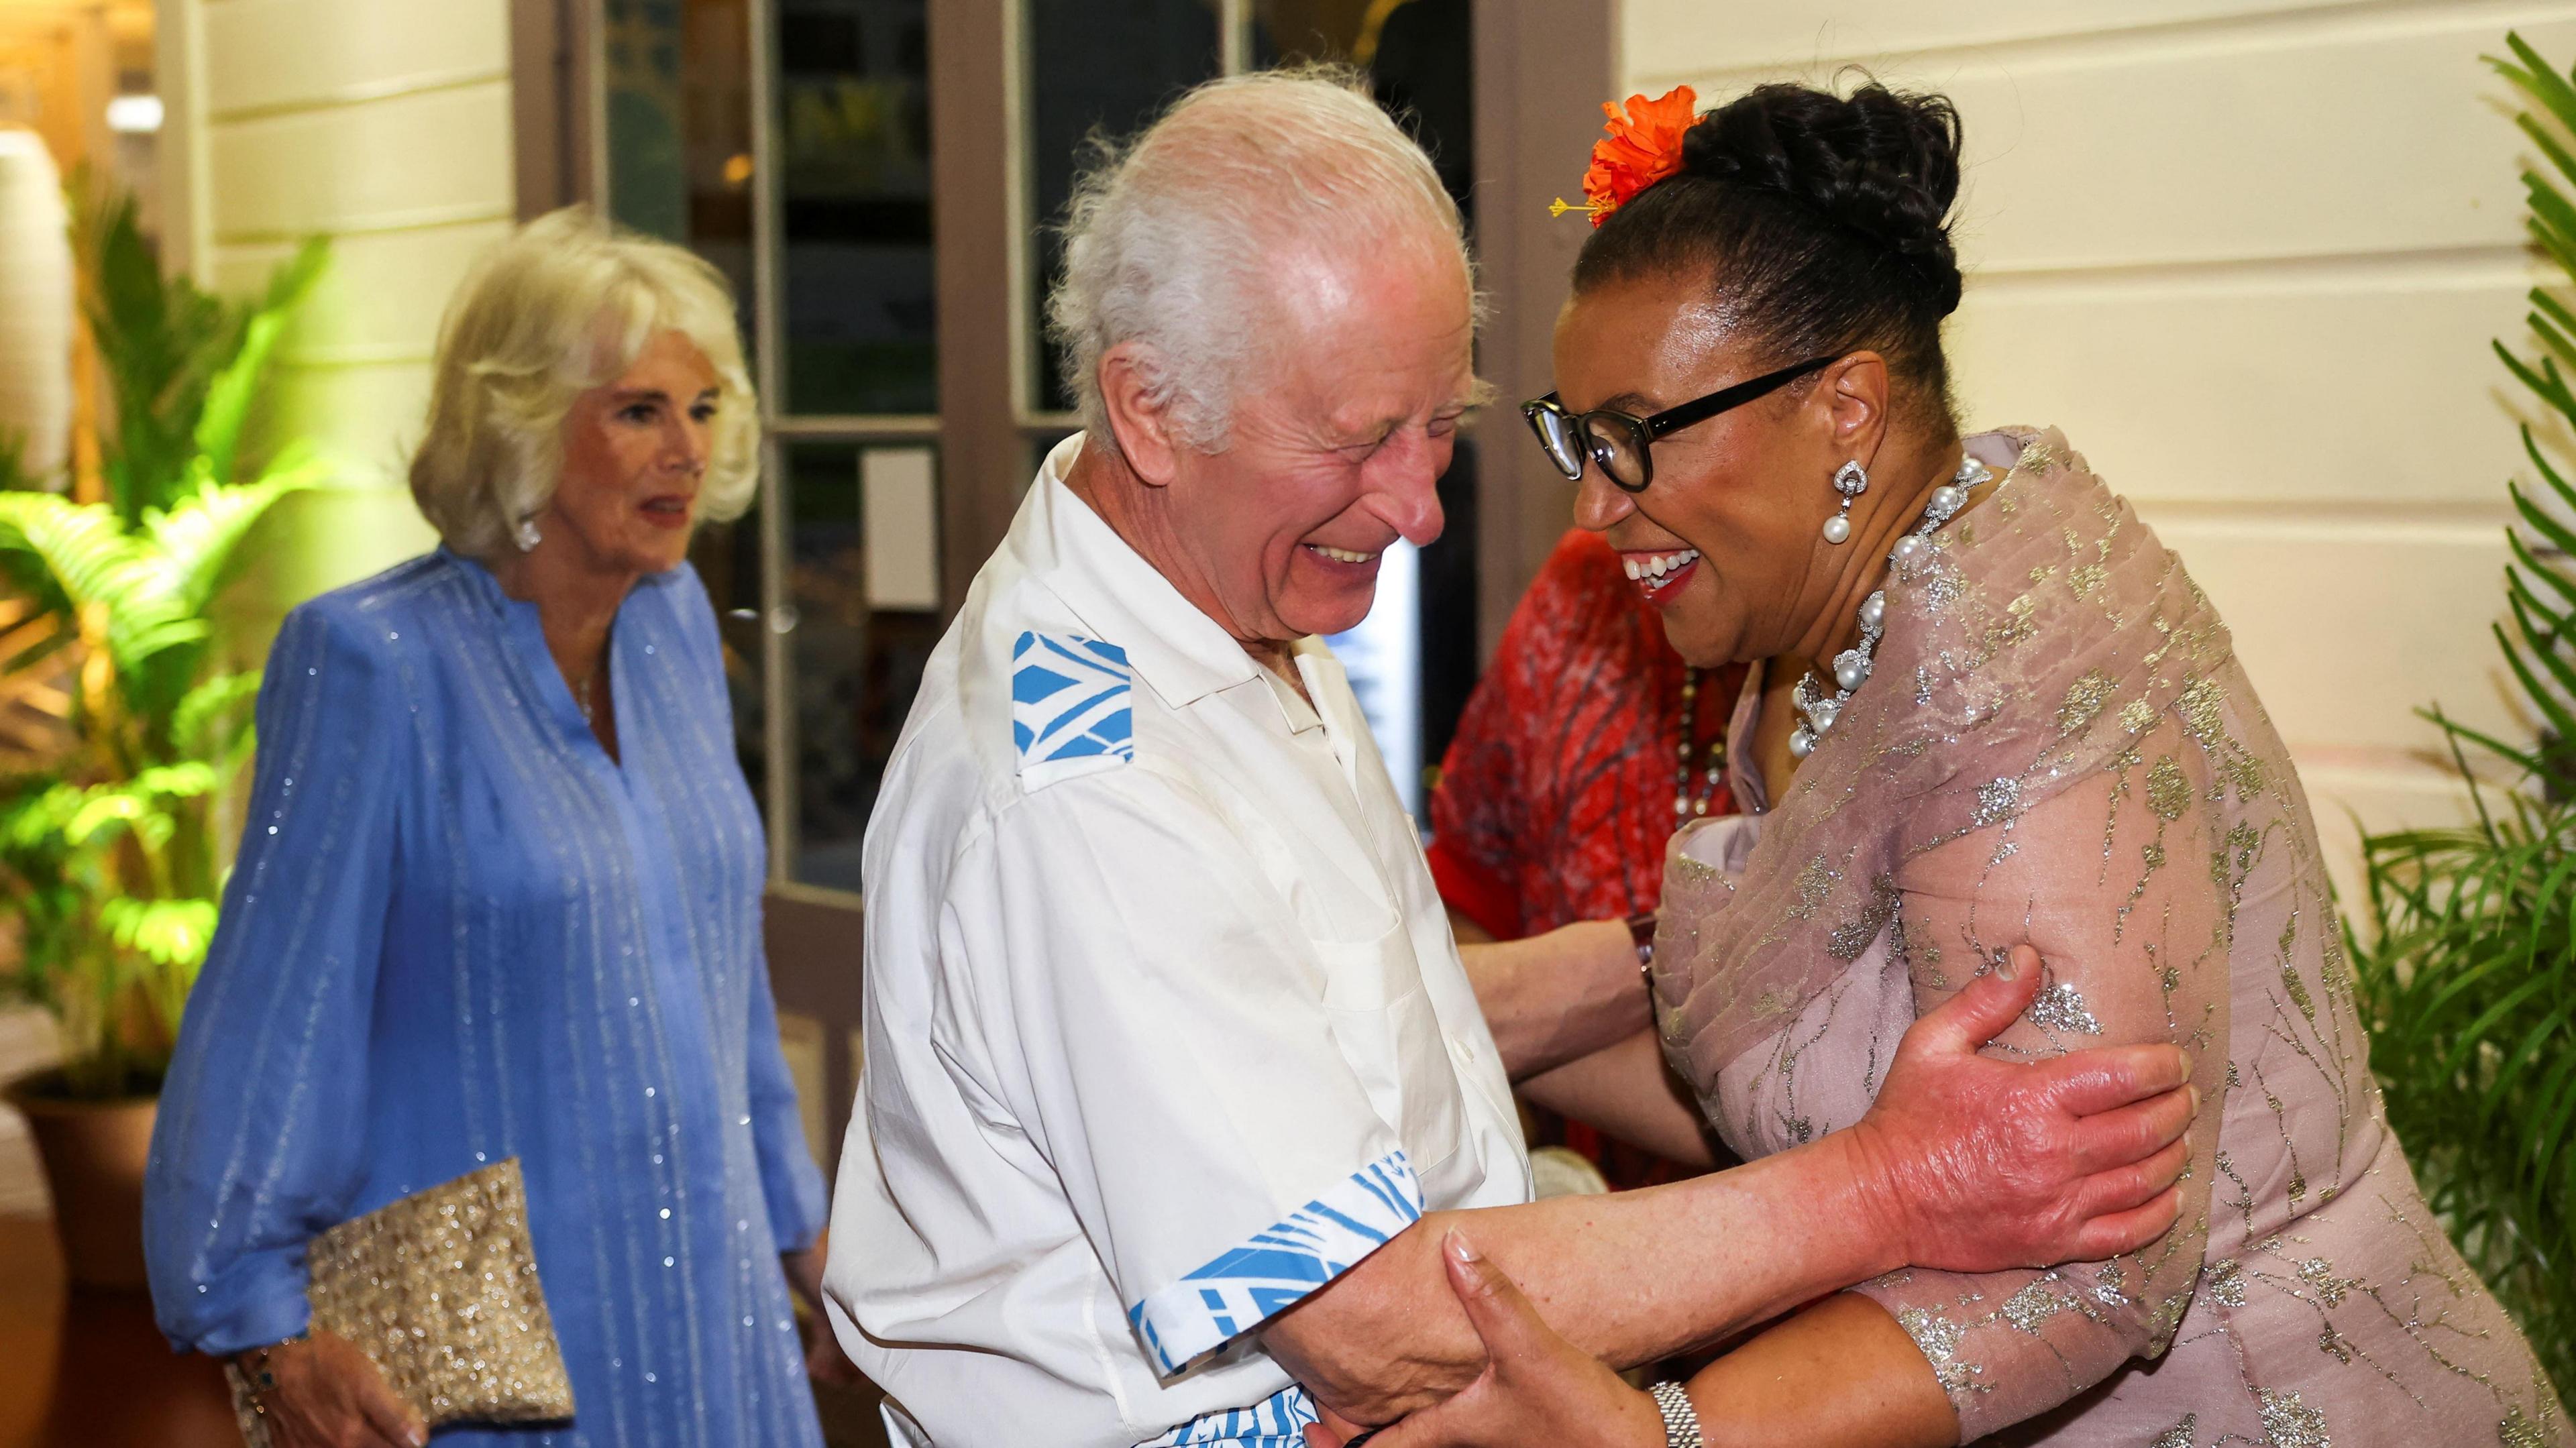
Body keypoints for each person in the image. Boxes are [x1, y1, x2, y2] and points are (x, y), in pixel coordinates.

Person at [828, 68, 2202, 1448]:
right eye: (1361, 439)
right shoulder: (1088, 780)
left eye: (1441, 427)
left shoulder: (1224, 591)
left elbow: (1352, 1005)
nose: (1418, 510)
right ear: (1150, 410)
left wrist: (1724, 951)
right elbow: (1374, 1324)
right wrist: (1893, 1183)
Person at [1329, 82, 2573, 1447]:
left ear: (1846, 409)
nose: (1593, 501)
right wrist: (1402, 1022)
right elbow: (1838, 1098)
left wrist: (1663, 1432)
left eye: (1632, 435)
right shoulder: (1823, 636)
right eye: (1575, 436)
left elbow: (2088, 1263)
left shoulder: (2022, 687)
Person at [143, 208, 839, 1448]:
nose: (684, 449)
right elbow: (276, 1017)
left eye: (703, 408)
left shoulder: (673, 626)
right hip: (498, 1341)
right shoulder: (369, 663)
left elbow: (718, 969)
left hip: (712, 1301)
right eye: (637, 410)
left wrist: (799, 1220)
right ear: (520, 422)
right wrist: (260, 1322)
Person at [1426, 527, 1748, 1186]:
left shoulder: (1906, 662)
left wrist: (1459, 1024)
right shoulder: (1589, 585)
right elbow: (1468, 887)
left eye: (1643, 427)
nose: (1594, 500)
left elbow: (1829, 1111)